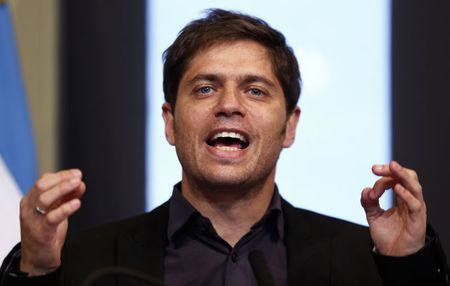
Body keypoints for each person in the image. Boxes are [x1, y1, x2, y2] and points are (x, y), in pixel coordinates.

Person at [0, 8, 448, 286]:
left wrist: (407, 268)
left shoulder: (362, 261)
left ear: (290, 127)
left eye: (255, 90)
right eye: (205, 89)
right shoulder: (86, 264)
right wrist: (37, 272)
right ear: (170, 123)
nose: (229, 105)